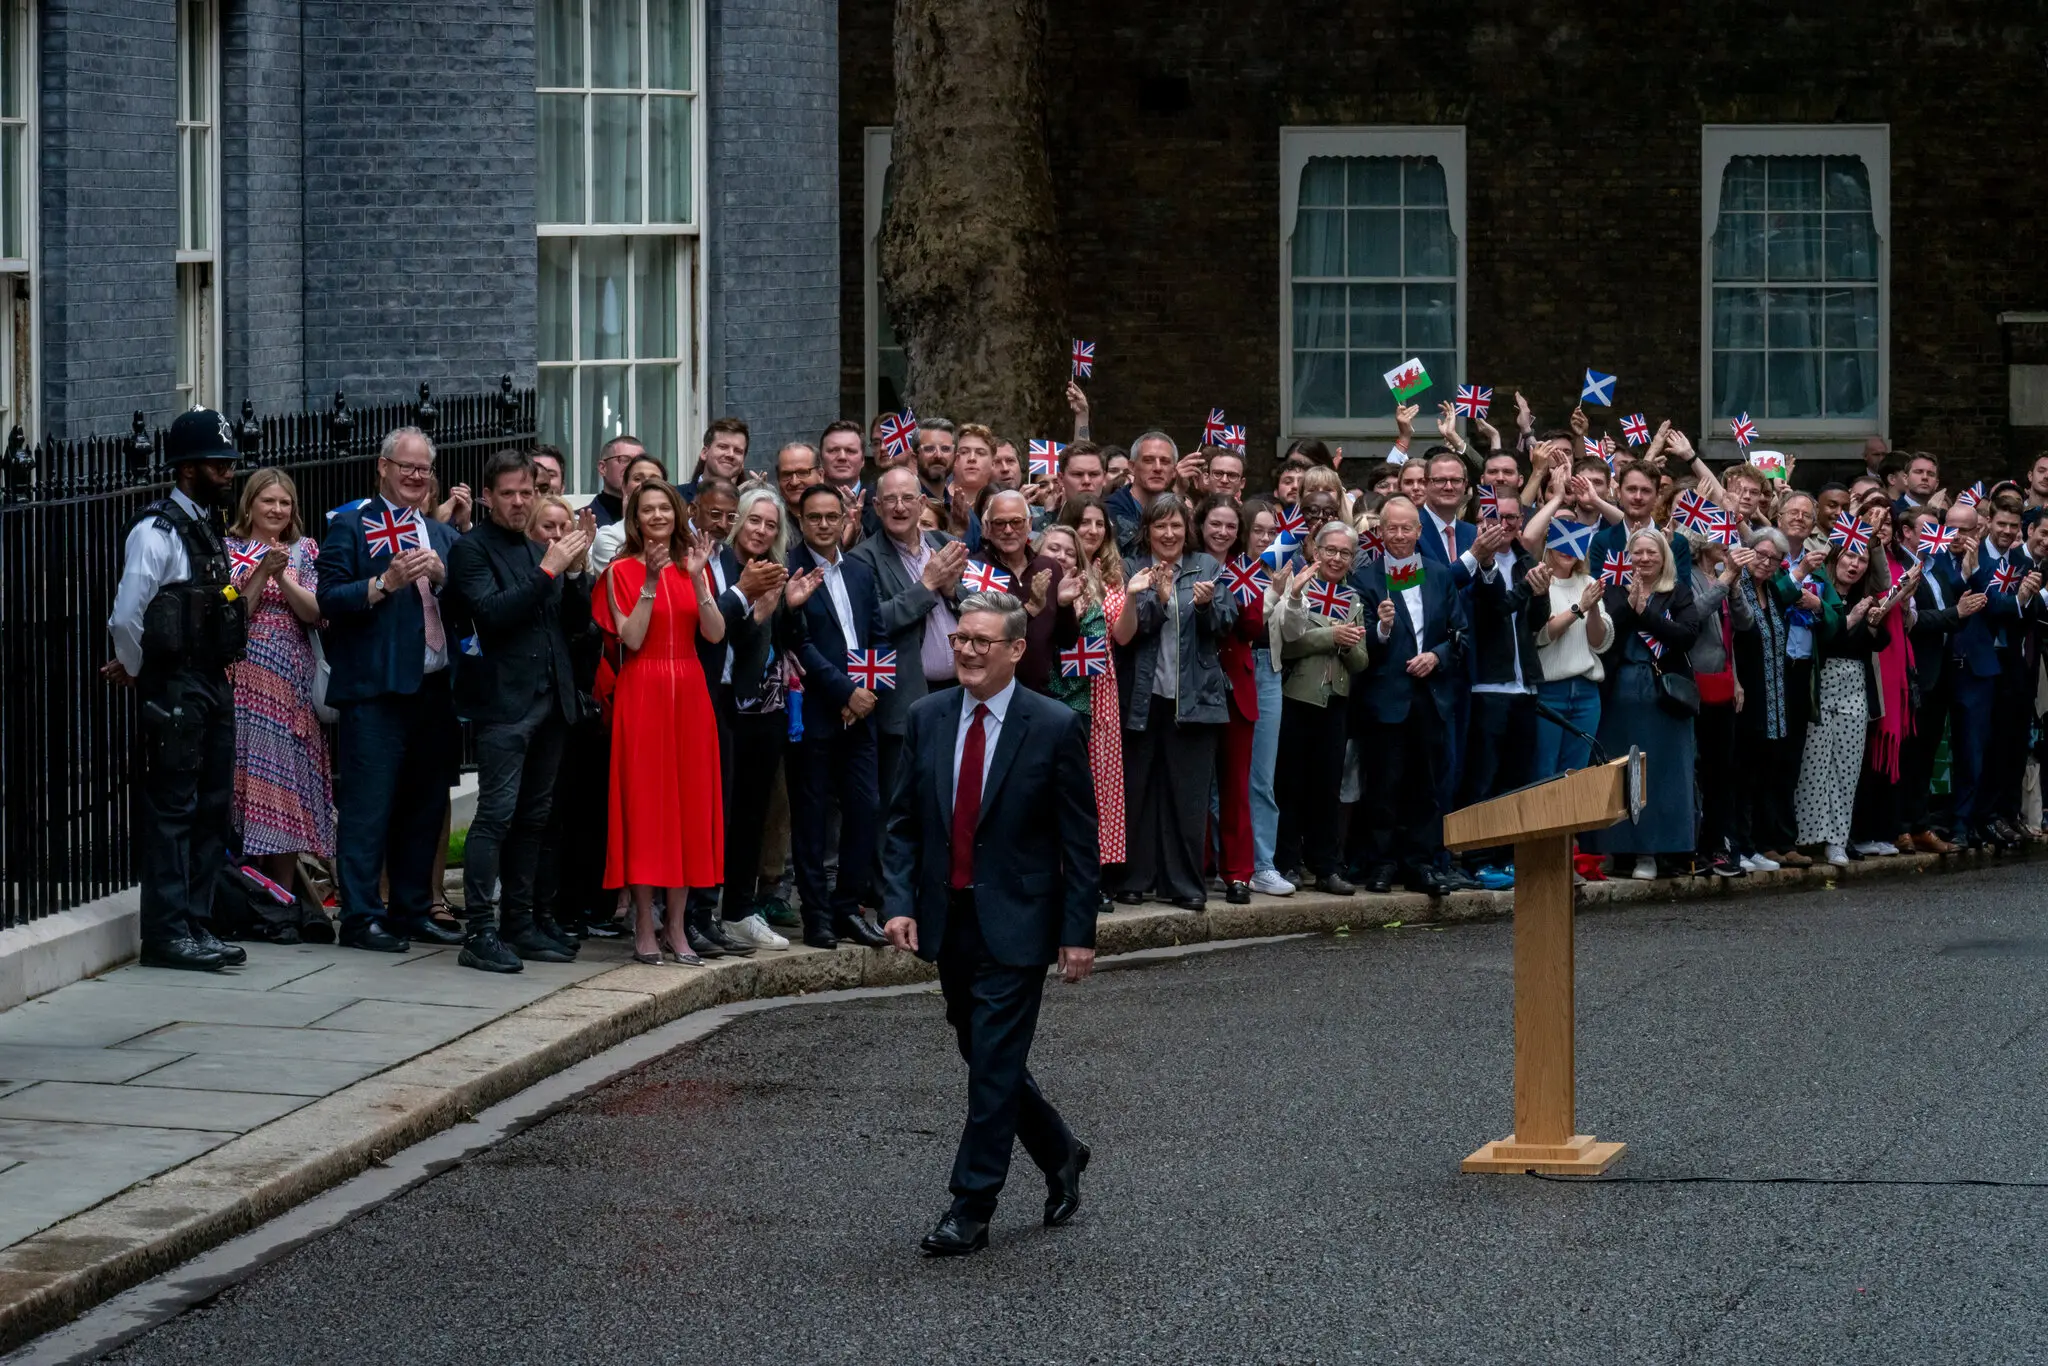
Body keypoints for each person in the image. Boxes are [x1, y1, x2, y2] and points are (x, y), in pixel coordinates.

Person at [879, 590, 1098, 1257]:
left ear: (1014, 650)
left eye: (981, 642)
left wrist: (1077, 931)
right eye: (961, 640)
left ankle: (970, 1204)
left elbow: (1079, 841)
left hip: (1021, 921)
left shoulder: (1055, 725)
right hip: (950, 917)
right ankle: (1061, 1151)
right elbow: (902, 823)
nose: (967, 651)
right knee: (984, 1055)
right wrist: (897, 901)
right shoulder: (927, 716)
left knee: (993, 1064)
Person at [103, 410, 252, 971]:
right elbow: (125, 616)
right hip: (176, 683)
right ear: (187, 468)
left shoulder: (206, 524)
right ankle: (166, 933)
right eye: (218, 463)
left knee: (212, 806)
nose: (228, 472)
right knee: (173, 810)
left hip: (211, 678)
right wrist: (139, 669)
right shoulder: (156, 531)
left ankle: (196, 921)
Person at [316, 426, 465, 953]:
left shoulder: (443, 536)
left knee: (423, 806)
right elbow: (328, 598)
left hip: (432, 690)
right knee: (368, 808)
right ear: (382, 467)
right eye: (406, 466)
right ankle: (359, 916)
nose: (416, 476)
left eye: (423, 468)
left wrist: (447, 577)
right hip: (376, 692)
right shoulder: (351, 525)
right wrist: (384, 585)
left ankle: (411, 909)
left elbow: (471, 606)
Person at [445, 449, 595, 972]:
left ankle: (521, 922)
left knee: (535, 817)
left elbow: (574, 626)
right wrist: (550, 570)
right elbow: (490, 616)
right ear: (487, 498)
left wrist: (575, 576)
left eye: (524, 493)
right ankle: (479, 930)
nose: (516, 502)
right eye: (506, 494)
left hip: (550, 700)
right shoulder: (472, 550)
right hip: (505, 704)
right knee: (497, 815)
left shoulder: (538, 551)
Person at [596, 479, 726, 964]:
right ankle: (645, 925)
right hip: (643, 691)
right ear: (635, 519)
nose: (656, 517)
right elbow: (630, 639)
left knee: (691, 808)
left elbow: (715, 634)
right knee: (647, 810)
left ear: (676, 515)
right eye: (646, 510)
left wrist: (695, 579)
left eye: (664, 509)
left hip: (690, 691)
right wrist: (651, 583)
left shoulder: (696, 567)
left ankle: (677, 925)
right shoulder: (620, 572)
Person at [784, 483, 891, 949]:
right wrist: (846, 691)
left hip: (861, 714)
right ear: (802, 521)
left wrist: (867, 692)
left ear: (846, 516)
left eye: (832, 516)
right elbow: (799, 644)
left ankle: (848, 908)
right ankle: (816, 914)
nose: (824, 525)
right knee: (811, 819)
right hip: (815, 712)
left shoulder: (861, 572)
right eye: (814, 518)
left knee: (865, 809)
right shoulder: (791, 569)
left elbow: (879, 637)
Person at [1118, 492, 1235, 909]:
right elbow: (1131, 631)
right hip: (1143, 699)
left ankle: (1184, 885)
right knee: (1139, 792)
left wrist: (1205, 607)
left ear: (1187, 531)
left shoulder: (1207, 566)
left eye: (1175, 526)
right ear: (1146, 531)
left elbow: (1226, 622)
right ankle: (1133, 879)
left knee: (1188, 798)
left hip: (1195, 700)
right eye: (1159, 526)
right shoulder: (1131, 568)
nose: (1168, 533)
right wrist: (1161, 598)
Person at [222, 468, 333, 897]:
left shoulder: (304, 550)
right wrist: (261, 571)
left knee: (283, 781)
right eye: (268, 501)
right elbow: (232, 612)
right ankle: (243, 890)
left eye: (285, 503)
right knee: (243, 775)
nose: (277, 509)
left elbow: (314, 612)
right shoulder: (229, 550)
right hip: (244, 678)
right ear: (249, 504)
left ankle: (284, 895)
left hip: (290, 682)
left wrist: (282, 573)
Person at [1347, 497, 1467, 894]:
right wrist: (1381, 630)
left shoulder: (1437, 575)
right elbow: (1358, 645)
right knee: (1383, 785)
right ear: (1379, 533)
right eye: (1391, 529)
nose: (1399, 536)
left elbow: (1461, 635)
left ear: (1418, 532)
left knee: (1426, 785)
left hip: (1430, 698)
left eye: (1406, 529)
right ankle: (1382, 864)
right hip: (1386, 698)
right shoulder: (1366, 579)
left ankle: (1420, 863)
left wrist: (1436, 656)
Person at [849, 465, 969, 823]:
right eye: (889, 500)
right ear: (876, 506)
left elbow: (978, 610)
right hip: (906, 697)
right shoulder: (862, 559)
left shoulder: (947, 546)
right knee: (901, 804)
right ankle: (895, 880)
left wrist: (953, 591)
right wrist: (926, 586)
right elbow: (872, 624)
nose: (899, 507)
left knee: (951, 797)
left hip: (959, 691)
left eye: (906, 499)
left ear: (921, 504)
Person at [1582, 529, 1700, 881]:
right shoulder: (1614, 591)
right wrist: (1627, 608)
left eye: (1652, 553)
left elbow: (1686, 635)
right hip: (1620, 694)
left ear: (1664, 557)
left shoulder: (1677, 593)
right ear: (1627, 556)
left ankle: (1649, 852)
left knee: (1659, 775)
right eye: (1638, 553)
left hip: (1663, 696)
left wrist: (1645, 613)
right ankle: (1612, 848)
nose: (1644, 559)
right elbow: (1605, 636)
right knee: (1618, 772)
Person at [718, 487, 806, 949]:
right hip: (725, 701)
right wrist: (756, 612)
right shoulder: (721, 566)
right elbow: (715, 633)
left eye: (771, 525)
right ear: (739, 521)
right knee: (724, 811)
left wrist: (788, 604)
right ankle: (708, 908)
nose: (762, 531)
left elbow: (791, 638)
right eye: (755, 521)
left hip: (767, 706)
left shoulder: (775, 570)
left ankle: (739, 909)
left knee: (754, 812)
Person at [1274, 521, 1368, 893]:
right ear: (1315, 551)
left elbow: (1361, 660)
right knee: (1290, 783)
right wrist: (1330, 635)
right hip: (1297, 699)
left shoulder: (1353, 598)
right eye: (1330, 550)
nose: (1337, 558)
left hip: (1336, 702)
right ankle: (1286, 862)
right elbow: (1288, 644)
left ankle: (1326, 866)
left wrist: (1344, 644)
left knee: (1327, 787)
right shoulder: (1299, 587)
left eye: (1345, 553)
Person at [1794, 540, 1889, 866]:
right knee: (1814, 764)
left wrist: (1873, 622)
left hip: (1855, 685)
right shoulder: (1815, 592)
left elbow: (1881, 642)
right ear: (1834, 558)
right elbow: (1822, 636)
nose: (1856, 564)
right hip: (1821, 682)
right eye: (1850, 555)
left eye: (1862, 559)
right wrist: (1849, 619)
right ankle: (1808, 838)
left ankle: (1836, 839)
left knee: (1846, 768)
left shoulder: (1867, 597)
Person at [1058, 494, 1132, 874]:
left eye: (1099, 524)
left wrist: (1132, 596)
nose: (1092, 530)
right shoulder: (1059, 566)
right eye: (1085, 522)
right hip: (1064, 686)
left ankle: (1095, 868)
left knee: (1099, 780)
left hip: (1101, 687)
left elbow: (1122, 636)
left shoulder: (1111, 574)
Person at [1195, 494, 1261, 903]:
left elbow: (1253, 628)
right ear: (1201, 525)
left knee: (1235, 786)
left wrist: (1240, 595)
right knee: (1196, 785)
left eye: (1230, 526)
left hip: (1237, 688)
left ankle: (1238, 872)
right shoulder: (1186, 565)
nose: (1222, 532)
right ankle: (1198, 866)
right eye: (1215, 524)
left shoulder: (1245, 571)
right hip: (1195, 687)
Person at [1530, 515, 1613, 778]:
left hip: (1587, 693)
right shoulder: (1539, 581)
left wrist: (1594, 609)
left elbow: (1599, 643)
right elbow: (1542, 636)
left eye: (1574, 542)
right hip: (1549, 693)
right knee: (1544, 772)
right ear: (1549, 542)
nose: (1567, 550)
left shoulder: (1587, 581)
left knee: (1576, 775)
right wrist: (1580, 608)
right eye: (1561, 540)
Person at [1239, 500, 1292, 895]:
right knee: (1223, 776)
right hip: (1233, 669)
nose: (1265, 538)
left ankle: (1262, 864)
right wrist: (1271, 594)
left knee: (1263, 777)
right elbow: (1242, 624)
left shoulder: (1281, 569)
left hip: (1269, 671)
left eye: (1271, 532)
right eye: (1258, 530)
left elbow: (1289, 634)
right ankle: (1229, 862)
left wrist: (1292, 595)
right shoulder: (1230, 568)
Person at [982, 489, 1079, 692]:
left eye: (1016, 522)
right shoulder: (977, 568)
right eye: (1000, 523)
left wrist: (1064, 605)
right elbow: (988, 635)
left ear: (1029, 524)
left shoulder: (1048, 567)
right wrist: (1031, 608)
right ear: (988, 528)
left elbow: (1068, 641)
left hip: (1041, 692)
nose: (1008, 530)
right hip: (992, 689)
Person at [590, 453, 669, 573]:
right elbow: (621, 584)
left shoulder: (674, 532)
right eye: (638, 479)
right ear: (624, 487)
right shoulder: (610, 536)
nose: (646, 484)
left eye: (654, 479)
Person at [1107, 431, 1177, 554]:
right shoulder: (1109, 510)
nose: (1157, 468)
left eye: (1165, 461)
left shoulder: (1181, 513)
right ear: (1132, 467)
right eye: (1148, 460)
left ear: (1174, 471)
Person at [679, 417, 750, 501]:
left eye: (738, 451)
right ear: (704, 453)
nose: (731, 454)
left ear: (742, 462)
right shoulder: (676, 496)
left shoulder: (748, 503)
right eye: (723, 447)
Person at [588, 433, 647, 527]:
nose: (633, 466)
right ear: (603, 468)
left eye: (639, 460)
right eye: (625, 459)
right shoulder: (583, 521)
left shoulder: (656, 517)